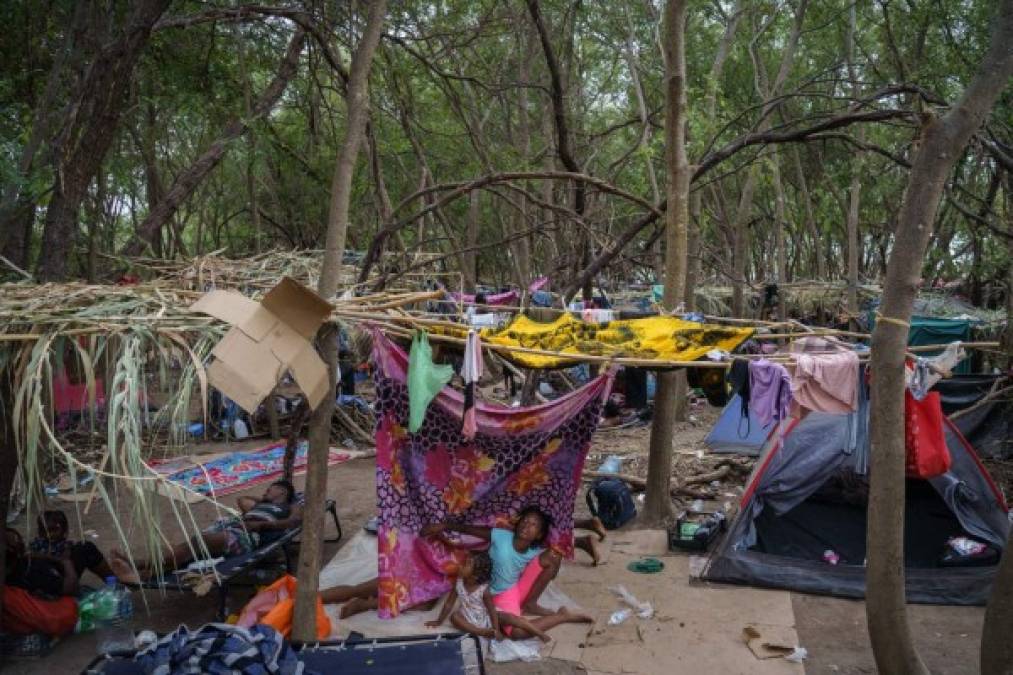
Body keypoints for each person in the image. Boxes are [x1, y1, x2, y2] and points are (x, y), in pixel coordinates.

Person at [421, 507, 594, 622]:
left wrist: (556, 562)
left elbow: (553, 567)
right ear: (517, 524)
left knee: (553, 556)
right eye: (525, 521)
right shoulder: (500, 536)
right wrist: (443, 525)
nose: (527, 526)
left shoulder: (535, 550)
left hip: (513, 591)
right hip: (489, 594)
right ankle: (562, 617)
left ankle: (531, 604)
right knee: (511, 629)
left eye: (533, 525)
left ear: (539, 534)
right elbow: (467, 529)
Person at [109, 480, 302, 583]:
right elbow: (242, 500)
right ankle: (140, 572)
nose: (267, 490)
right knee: (188, 549)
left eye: (272, 488)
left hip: (247, 538)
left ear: (283, 492)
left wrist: (263, 525)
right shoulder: (261, 505)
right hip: (234, 529)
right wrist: (264, 500)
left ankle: (139, 567)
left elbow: (294, 521)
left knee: (196, 544)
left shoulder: (289, 507)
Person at [425, 548, 592, 642]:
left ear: (476, 574)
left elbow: (491, 610)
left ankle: (540, 633)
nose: (461, 565)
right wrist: (439, 621)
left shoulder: (484, 589)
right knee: (455, 617)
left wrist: (496, 628)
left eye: (466, 564)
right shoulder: (459, 582)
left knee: (510, 618)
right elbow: (448, 603)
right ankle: (481, 632)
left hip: (488, 616)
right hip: (470, 618)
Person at [30, 509, 114, 583]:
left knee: (86, 548)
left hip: (62, 573)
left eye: (54, 530)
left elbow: (66, 560)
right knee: (86, 548)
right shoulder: (38, 544)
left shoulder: (65, 545)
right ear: (40, 532)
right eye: (44, 531)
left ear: (64, 530)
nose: (49, 535)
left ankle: (113, 582)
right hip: (46, 576)